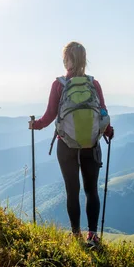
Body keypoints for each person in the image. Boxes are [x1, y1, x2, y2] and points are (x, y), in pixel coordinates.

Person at [28, 41, 114, 248]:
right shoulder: (94, 85)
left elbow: (49, 116)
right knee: (91, 190)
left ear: (68, 60)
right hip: (91, 145)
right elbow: (102, 113)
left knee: (72, 190)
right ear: (84, 60)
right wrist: (108, 131)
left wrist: (35, 125)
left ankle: (75, 235)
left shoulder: (59, 85)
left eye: (64, 57)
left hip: (66, 145)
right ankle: (92, 235)